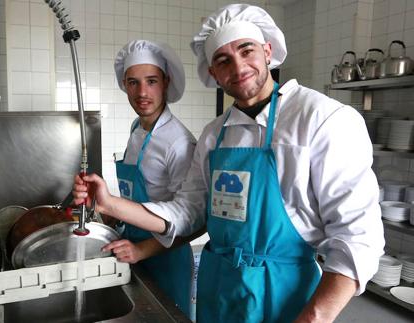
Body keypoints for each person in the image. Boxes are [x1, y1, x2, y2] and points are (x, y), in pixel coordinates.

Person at [74, 4, 385, 323]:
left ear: (268, 50)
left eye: (246, 50)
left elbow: (358, 236)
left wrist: (314, 317)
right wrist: (109, 203)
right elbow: (189, 212)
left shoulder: (321, 119)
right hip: (220, 292)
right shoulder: (214, 135)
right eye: (223, 60)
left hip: (287, 298)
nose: (237, 67)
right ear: (212, 72)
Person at [103, 39, 197, 317]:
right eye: (133, 82)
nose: (141, 92)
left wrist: (142, 250)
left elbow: (192, 222)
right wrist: (115, 214)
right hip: (132, 246)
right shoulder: (137, 128)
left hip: (165, 258)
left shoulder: (178, 143)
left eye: (151, 81)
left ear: (166, 82)